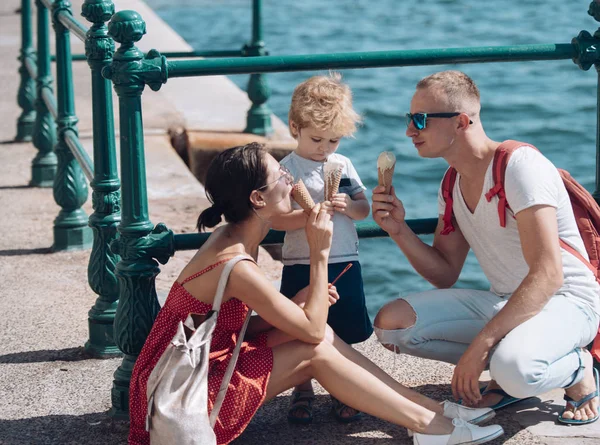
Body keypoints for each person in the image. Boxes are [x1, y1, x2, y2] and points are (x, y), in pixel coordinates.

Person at [128, 142, 504, 445]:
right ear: (258, 200)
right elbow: (308, 332)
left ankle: (432, 412)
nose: (290, 179)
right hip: (187, 397)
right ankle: (430, 426)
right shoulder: (236, 263)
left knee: (320, 335)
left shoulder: (234, 239)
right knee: (314, 348)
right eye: (280, 175)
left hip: (205, 366)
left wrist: (295, 303)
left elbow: (231, 327)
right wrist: (319, 252)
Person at [371, 70, 600, 424]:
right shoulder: (452, 182)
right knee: (393, 326)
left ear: (461, 122)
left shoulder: (520, 167)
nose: (409, 131)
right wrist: (398, 230)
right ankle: (514, 364)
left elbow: (549, 275)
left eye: (420, 120)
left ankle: (578, 368)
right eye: (409, 119)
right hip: (510, 301)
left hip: (568, 302)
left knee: (515, 370)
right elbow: (445, 272)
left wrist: (482, 346)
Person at [270, 73, 372, 423]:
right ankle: (302, 387)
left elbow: (363, 209)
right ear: (294, 127)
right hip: (301, 259)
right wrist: (306, 217)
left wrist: (349, 206)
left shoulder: (342, 165)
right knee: (301, 328)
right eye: (317, 139)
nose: (324, 148)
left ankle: (342, 389)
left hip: (343, 258)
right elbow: (278, 219)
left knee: (344, 327)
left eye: (333, 140)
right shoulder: (286, 169)